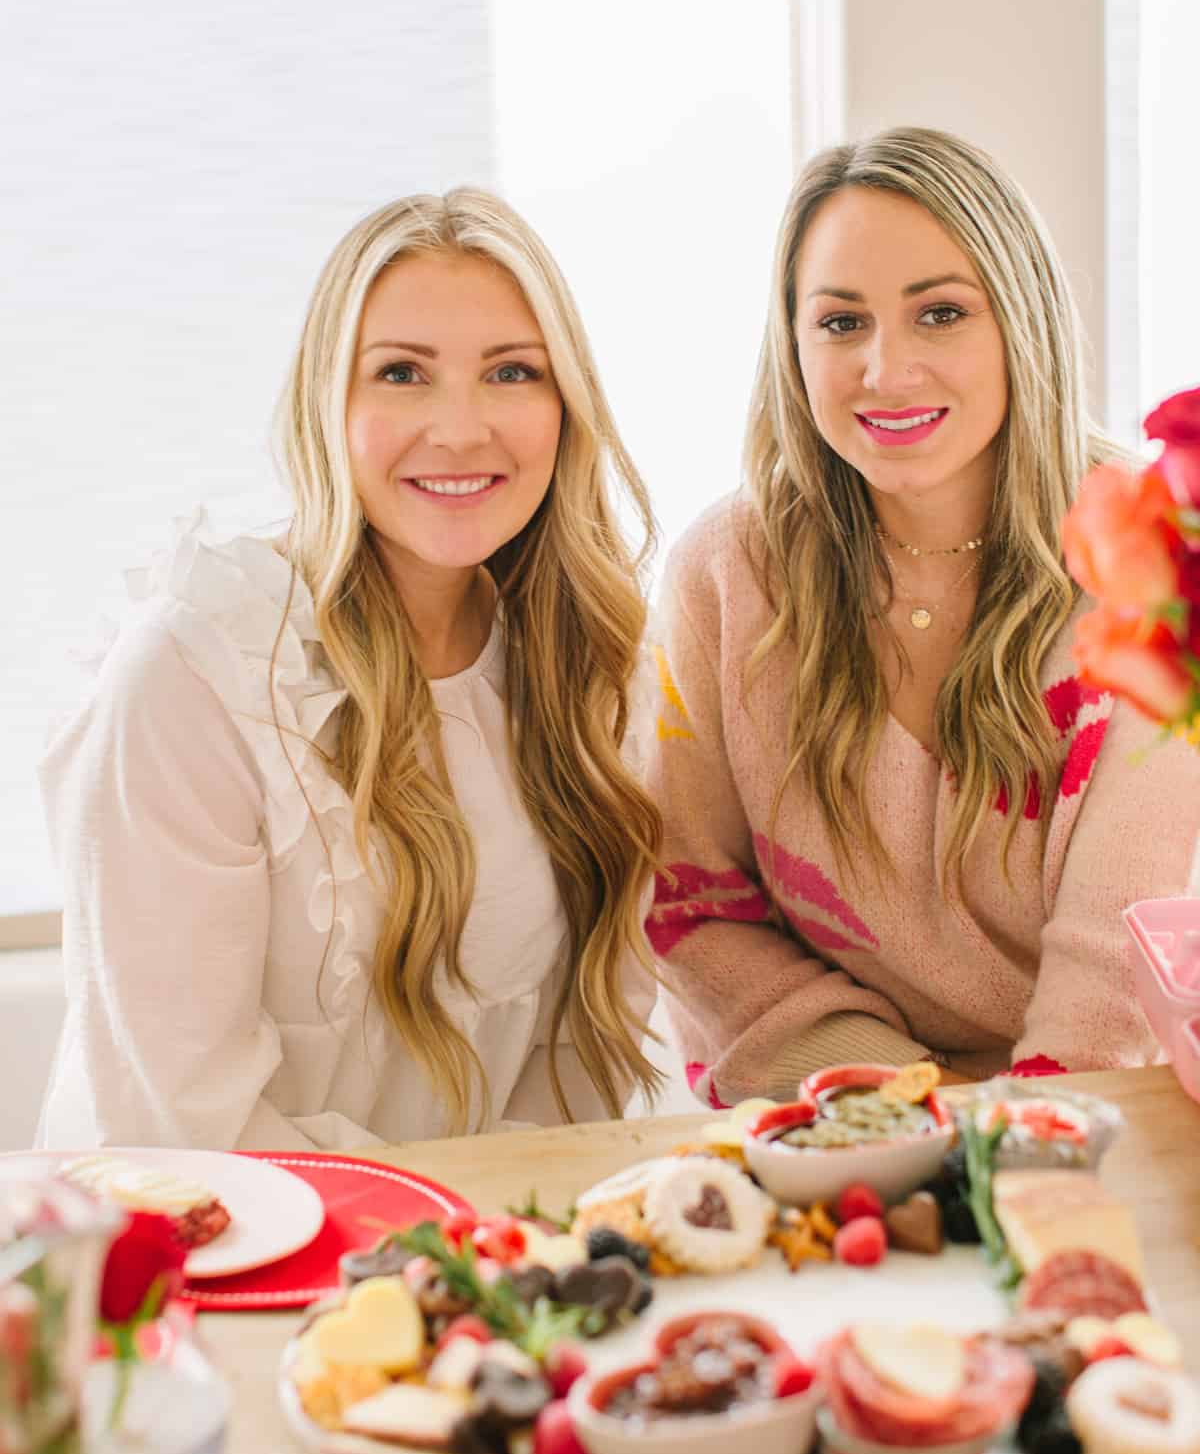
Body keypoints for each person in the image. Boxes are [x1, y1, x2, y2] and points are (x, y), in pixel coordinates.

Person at [39, 190, 661, 1150]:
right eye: (403, 373)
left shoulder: (590, 661)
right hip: (218, 1260)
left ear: (566, 405)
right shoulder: (195, 676)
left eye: (510, 371)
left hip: (481, 1260)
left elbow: (572, 1076)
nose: (460, 429)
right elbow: (182, 1121)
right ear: (326, 402)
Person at [647, 126, 1200, 1105]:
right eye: (840, 322)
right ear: (792, 342)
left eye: (940, 313)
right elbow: (694, 908)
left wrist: (1005, 1147)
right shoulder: (727, 573)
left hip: (1100, 1121)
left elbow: (1114, 968)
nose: (885, 370)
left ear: (1018, 322)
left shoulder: (1153, 563)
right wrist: (895, 1101)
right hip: (839, 1116)